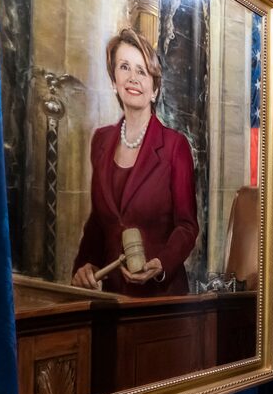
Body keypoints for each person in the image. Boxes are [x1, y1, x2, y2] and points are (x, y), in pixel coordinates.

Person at [71, 28, 198, 296]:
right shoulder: (101, 140)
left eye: (142, 71)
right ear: (114, 81)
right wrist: (84, 266)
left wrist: (160, 264)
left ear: (154, 89)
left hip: (161, 302)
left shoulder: (175, 146)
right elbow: (98, 222)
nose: (133, 78)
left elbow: (187, 226)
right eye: (124, 67)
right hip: (111, 298)